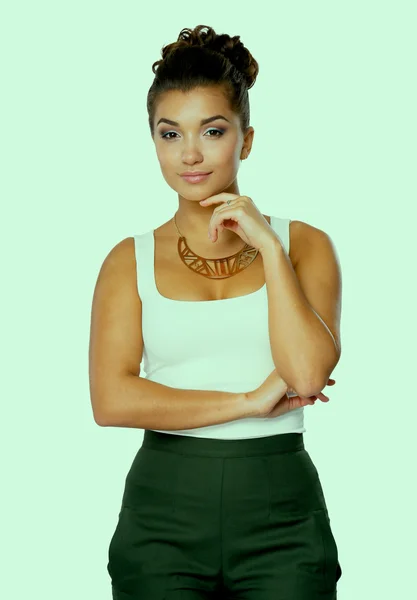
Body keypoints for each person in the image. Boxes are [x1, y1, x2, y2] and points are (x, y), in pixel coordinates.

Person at [89, 24, 343, 600]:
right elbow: (112, 400)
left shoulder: (304, 245)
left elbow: (306, 375)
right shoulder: (126, 260)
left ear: (246, 140)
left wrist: (270, 251)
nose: (191, 154)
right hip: (162, 513)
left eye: (213, 130)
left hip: (283, 512)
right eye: (170, 133)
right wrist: (248, 403)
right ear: (153, 141)